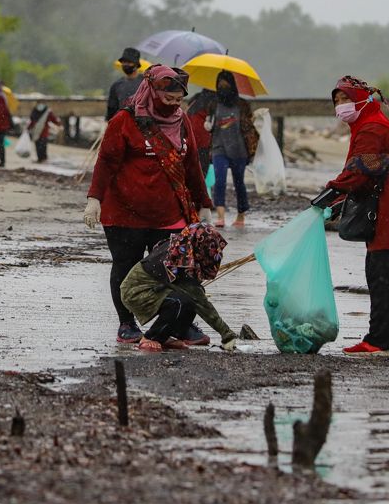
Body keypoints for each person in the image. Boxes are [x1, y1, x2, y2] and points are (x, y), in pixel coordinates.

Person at [84, 65, 214, 344]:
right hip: (124, 214)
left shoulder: (182, 122)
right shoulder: (124, 120)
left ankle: (178, 324)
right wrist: (94, 200)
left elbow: (191, 165)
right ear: (152, 92)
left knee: (176, 270)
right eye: (167, 99)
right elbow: (106, 162)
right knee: (125, 266)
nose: (173, 105)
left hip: (168, 214)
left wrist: (204, 203)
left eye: (178, 100)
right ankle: (126, 323)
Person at [316, 75, 389, 357]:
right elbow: (364, 172)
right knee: (385, 272)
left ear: (362, 100)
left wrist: (329, 193)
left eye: (345, 100)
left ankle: (379, 341)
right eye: (336, 101)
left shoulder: (371, 128)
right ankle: (385, 339)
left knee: (384, 273)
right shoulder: (367, 124)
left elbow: (359, 172)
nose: (340, 106)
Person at [119, 223, 239, 352]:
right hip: (136, 293)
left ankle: (167, 335)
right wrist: (227, 334)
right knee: (182, 301)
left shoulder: (181, 247)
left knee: (191, 296)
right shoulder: (181, 261)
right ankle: (151, 338)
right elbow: (202, 303)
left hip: (157, 288)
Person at [209, 70, 260, 228]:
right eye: (220, 84)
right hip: (219, 148)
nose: (223, 87)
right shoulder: (213, 104)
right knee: (220, 181)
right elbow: (210, 125)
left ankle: (241, 216)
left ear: (232, 85)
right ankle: (220, 216)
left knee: (239, 183)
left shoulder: (242, 104)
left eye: (226, 84)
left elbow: (249, 126)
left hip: (239, 150)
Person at [105, 47, 145, 121]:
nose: (126, 65)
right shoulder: (116, 85)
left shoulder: (145, 83)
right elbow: (111, 109)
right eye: (124, 62)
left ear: (136, 64)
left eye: (129, 62)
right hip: (122, 125)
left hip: (142, 125)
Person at [186, 89, 217, 177]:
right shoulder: (213, 101)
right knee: (202, 172)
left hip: (190, 139)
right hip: (203, 142)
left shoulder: (195, 99)